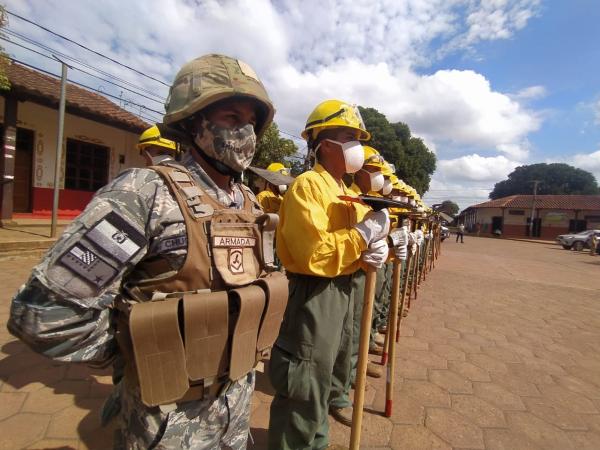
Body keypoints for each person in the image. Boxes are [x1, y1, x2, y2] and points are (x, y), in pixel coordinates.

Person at [8, 54, 286, 450]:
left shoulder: (251, 205)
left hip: (235, 414)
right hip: (168, 423)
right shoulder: (143, 194)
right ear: (193, 121)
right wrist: (136, 350)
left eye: (252, 121)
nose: (246, 131)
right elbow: (43, 315)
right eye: (231, 116)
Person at [267, 99, 390, 449]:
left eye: (357, 137)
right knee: (304, 383)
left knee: (327, 377)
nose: (356, 146)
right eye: (347, 136)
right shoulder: (308, 185)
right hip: (315, 292)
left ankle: (314, 443)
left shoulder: (349, 191)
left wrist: (374, 248)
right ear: (321, 142)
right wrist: (363, 235)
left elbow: (356, 244)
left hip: (346, 289)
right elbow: (315, 255)